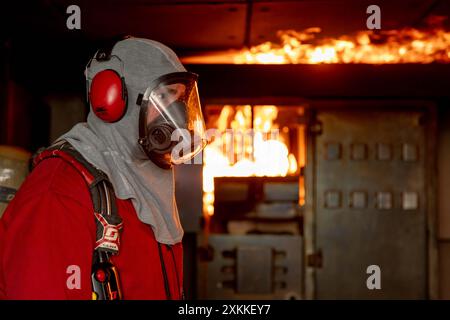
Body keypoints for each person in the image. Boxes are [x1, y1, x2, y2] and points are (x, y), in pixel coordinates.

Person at [0, 37, 207, 300]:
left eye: (178, 98)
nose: (177, 115)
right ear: (110, 100)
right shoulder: (60, 192)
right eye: (164, 96)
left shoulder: (149, 185)